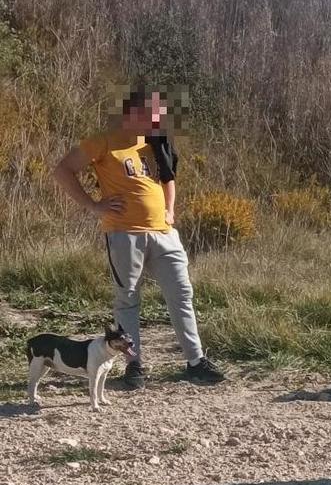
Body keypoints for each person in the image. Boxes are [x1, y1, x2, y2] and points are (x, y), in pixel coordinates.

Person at [52, 87, 226, 387]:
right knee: (128, 298)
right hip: (123, 232)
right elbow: (63, 170)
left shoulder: (155, 142)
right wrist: (94, 205)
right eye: (152, 114)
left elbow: (168, 179)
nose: (157, 120)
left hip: (163, 233)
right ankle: (134, 366)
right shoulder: (104, 141)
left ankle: (196, 361)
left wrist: (170, 211)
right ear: (132, 113)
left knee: (182, 293)